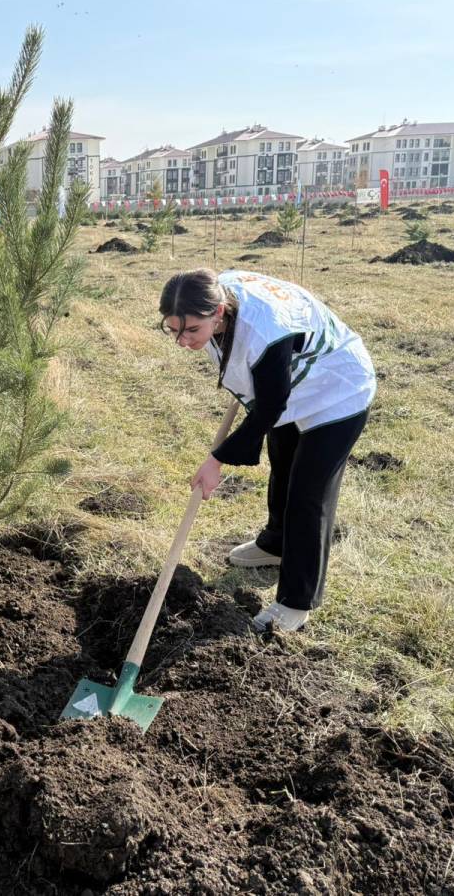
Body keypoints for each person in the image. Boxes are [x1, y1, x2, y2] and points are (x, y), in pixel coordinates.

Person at [159, 268, 375, 633]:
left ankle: (296, 603)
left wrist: (218, 459)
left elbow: (270, 407)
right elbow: (265, 395)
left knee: (308, 492)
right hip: (295, 383)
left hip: (337, 387)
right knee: (283, 461)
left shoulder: (264, 333)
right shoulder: (212, 292)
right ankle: (276, 545)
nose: (182, 340)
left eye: (192, 330)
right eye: (173, 329)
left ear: (219, 313)